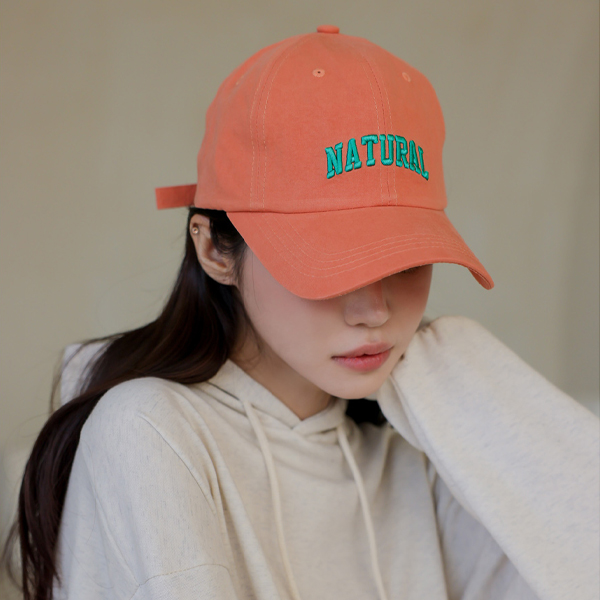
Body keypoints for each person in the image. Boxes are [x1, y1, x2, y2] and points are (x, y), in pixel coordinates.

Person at [4, 25, 599, 600]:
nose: (374, 311)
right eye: (330, 263)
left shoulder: (424, 450)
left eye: (406, 260)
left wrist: (458, 360)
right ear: (214, 251)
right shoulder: (151, 431)